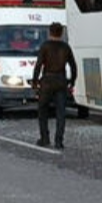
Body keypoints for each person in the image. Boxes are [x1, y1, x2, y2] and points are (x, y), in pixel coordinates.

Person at [32, 22, 78, 150]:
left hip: (47, 80)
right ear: (61, 33)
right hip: (61, 80)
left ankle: (44, 137)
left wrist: (35, 82)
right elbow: (73, 66)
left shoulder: (45, 46)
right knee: (61, 112)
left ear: (50, 32)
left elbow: (39, 65)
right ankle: (59, 140)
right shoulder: (65, 47)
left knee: (42, 110)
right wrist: (72, 81)